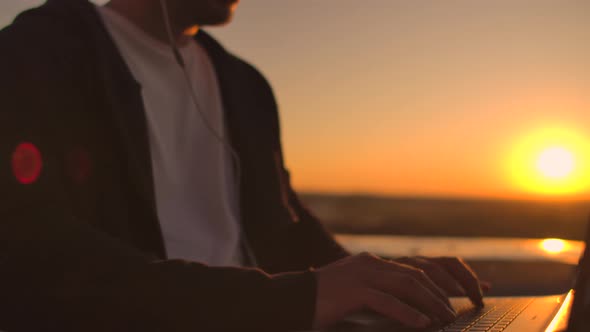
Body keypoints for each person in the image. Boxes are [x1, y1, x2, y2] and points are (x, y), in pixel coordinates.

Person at [0, 0, 485, 331]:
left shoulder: (243, 84)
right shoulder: (38, 54)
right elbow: (39, 262)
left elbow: (289, 232)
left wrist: (380, 281)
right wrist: (292, 301)